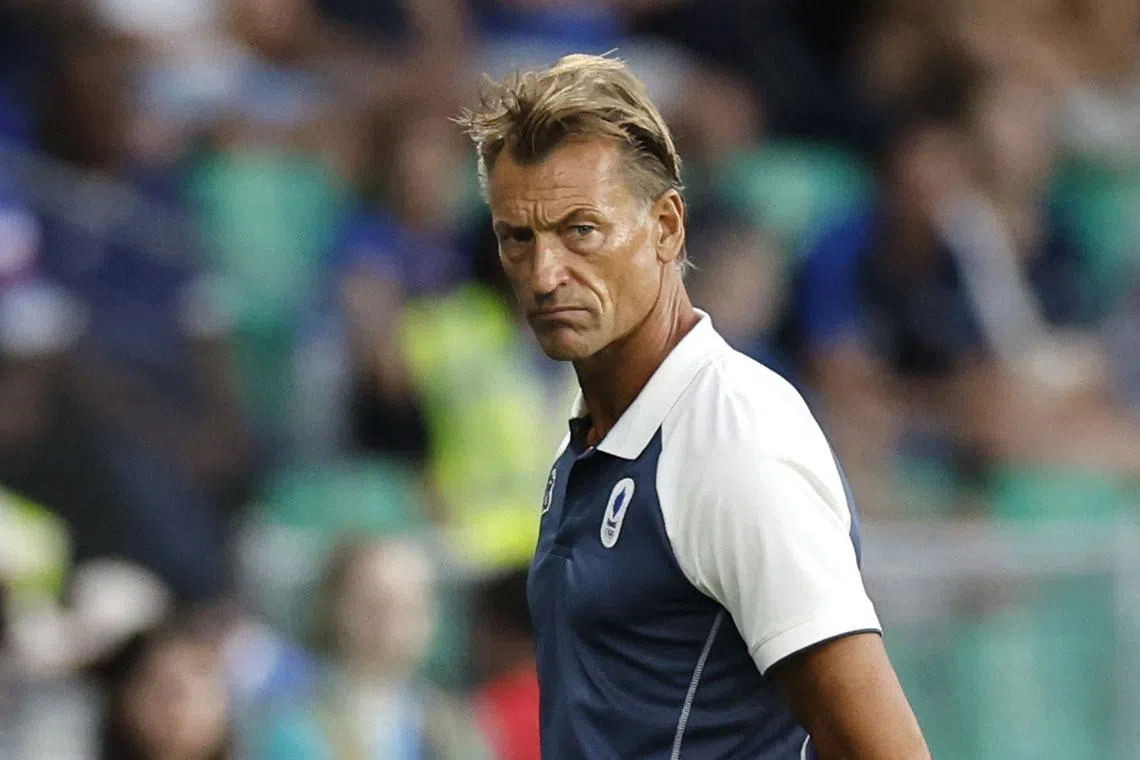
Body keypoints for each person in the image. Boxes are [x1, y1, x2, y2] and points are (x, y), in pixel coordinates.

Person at [456, 54, 930, 759]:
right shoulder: (597, 436)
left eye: (581, 230)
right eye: (517, 238)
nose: (545, 274)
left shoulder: (732, 436)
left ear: (667, 227)